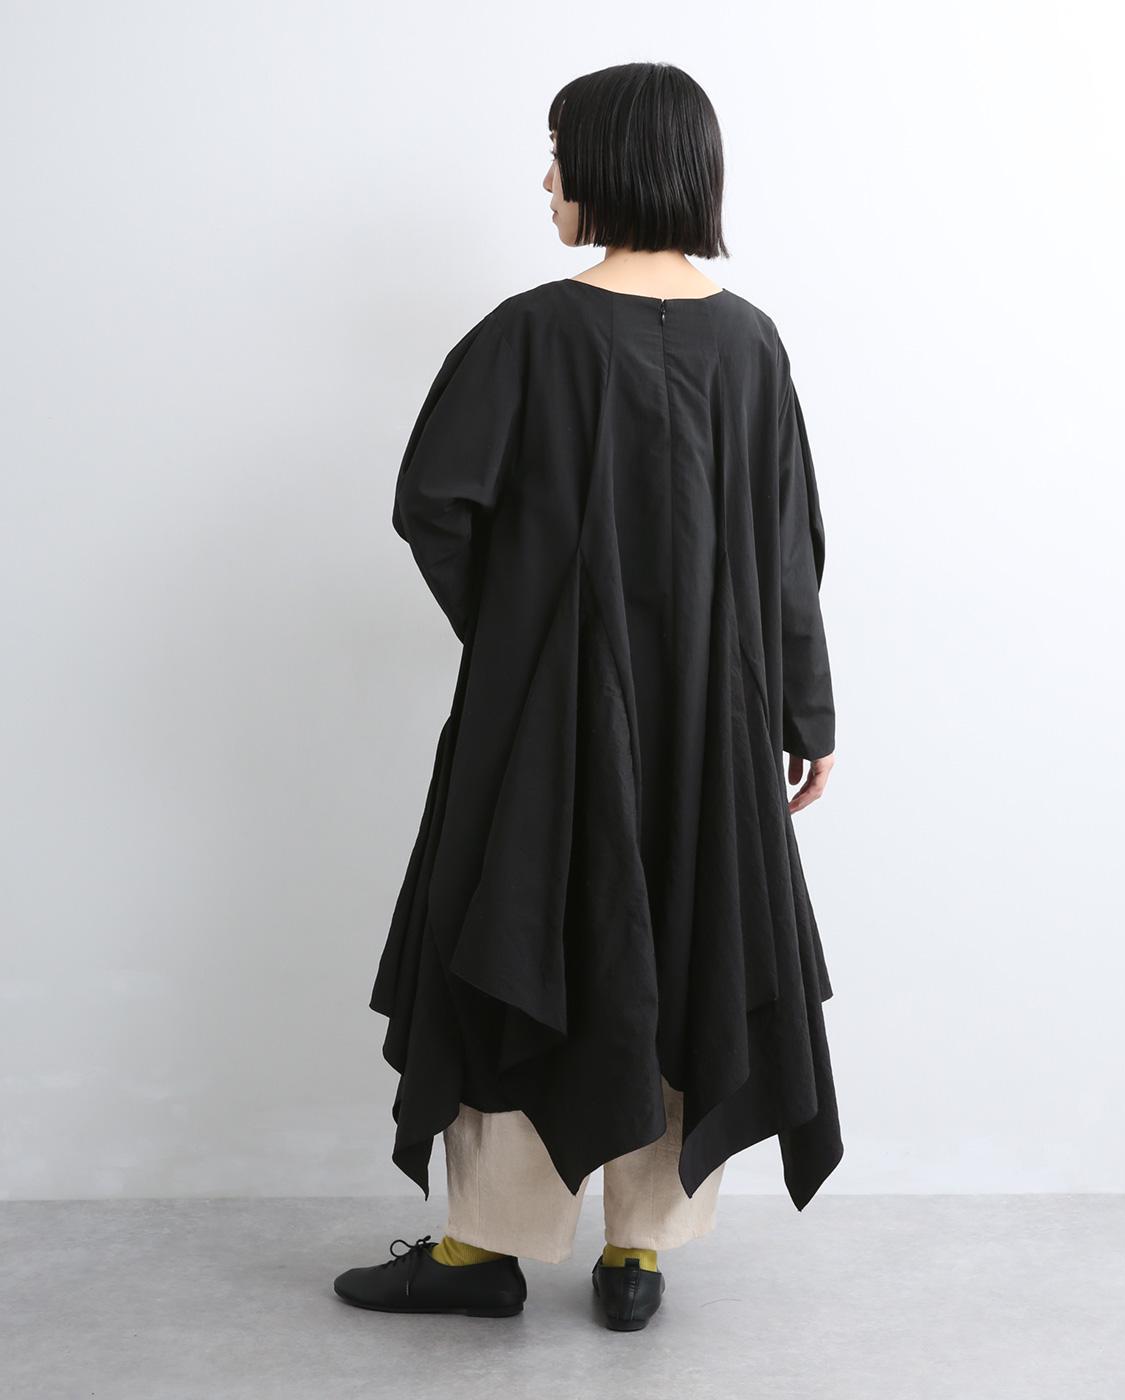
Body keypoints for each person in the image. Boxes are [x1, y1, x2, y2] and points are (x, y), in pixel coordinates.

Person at [333, 60, 842, 1332]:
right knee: (686, 945)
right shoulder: (751, 344)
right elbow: (789, 553)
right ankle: (637, 1253)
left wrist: (523, 638)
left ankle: (481, 1249)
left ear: (615, 164)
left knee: (523, 938)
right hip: (712, 728)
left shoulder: (530, 333)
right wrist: (805, 713)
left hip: (547, 729)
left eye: (559, 151)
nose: (546, 177)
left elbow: (435, 505)